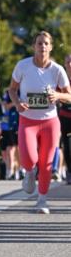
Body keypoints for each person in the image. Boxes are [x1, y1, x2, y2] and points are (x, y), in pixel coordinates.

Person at [8, 31, 71, 214]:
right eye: (39, 43)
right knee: (29, 158)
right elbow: (12, 90)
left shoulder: (57, 69)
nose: (42, 47)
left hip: (50, 122)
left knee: (46, 163)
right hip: (28, 120)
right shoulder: (23, 66)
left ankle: (42, 200)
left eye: (45, 43)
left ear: (50, 47)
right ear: (34, 46)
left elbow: (69, 95)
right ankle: (28, 171)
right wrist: (18, 103)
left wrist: (57, 95)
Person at [0, 89, 20, 180]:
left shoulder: (25, 89)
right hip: (9, 125)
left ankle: (19, 170)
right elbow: (5, 106)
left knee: (19, 149)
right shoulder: (8, 92)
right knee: (9, 149)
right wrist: (17, 103)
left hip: (21, 123)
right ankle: (10, 170)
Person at [60, 53, 71, 184]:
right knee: (67, 146)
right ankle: (69, 171)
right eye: (67, 62)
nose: (70, 64)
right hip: (65, 116)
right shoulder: (61, 78)